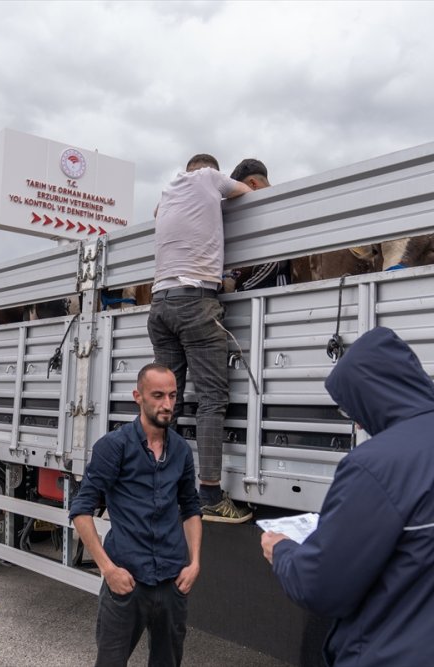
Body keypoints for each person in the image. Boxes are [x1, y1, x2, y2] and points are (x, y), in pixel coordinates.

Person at [261, 326, 434, 666]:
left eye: (352, 409)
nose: (358, 425)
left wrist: (283, 550)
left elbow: (321, 587)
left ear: (371, 397)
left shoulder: (375, 465)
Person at [70, 363, 203, 667]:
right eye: (158, 395)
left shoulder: (181, 450)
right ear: (138, 397)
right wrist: (108, 569)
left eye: (172, 395)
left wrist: (194, 563)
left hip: (173, 582)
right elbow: (80, 510)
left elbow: (191, 508)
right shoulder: (114, 447)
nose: (167, 404)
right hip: (127, 583)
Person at [148, 153, 253, 522]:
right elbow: (245, 191)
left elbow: (159, 215)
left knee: (166, 401)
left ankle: (159, 487)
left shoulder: (168, 190)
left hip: (159, 304)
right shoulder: (210, 178)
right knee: (211, 401)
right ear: (210, 168)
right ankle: (209, 493)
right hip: (195, 302)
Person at [228, 158, 290, 290]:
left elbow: (275, 262)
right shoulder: (278, 208)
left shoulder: (276, 211)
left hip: (274, 296)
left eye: (240, 192)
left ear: (253, 184)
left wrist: (240, 290)